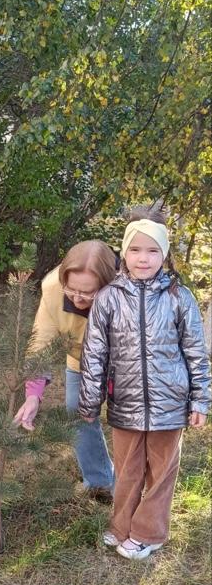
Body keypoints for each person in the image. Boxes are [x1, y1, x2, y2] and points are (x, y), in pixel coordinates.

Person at [78, 213, 210, 559]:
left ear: (164, 255)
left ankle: (148, 532)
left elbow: (197, 352)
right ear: (124, 253)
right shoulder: (108, 298)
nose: (143, 258)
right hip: (126, 402)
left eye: (152, 251)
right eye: (135, 249)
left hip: (171, 403)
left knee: (162, 472)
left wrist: (200, 400)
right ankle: (121, 526)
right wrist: (90, 402)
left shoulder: (180, 298)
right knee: (126, 471)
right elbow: (94, 353)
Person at [13, 240, 117, 500]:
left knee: (127, 422)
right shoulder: (52, 287)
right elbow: (41, 340)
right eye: (72, 290)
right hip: (79, 361)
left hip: (122, 363)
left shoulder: (125, 292)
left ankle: (133, 485)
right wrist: (33, 394)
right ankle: (100, 482)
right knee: (77, 413)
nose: (79, 298)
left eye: (88, 293)